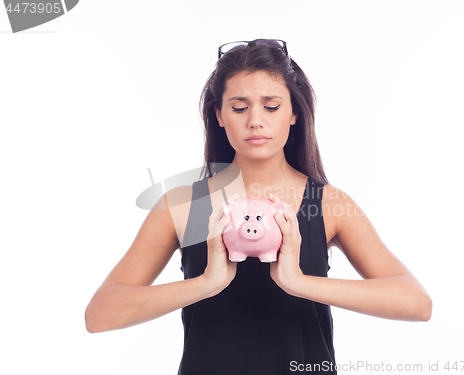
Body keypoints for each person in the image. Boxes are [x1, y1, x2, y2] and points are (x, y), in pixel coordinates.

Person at [85, 39, 432, 374]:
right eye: (239, 107)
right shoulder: (183, 205)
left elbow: (416, 303)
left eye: (271, 106)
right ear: (219, 115)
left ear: (294, 113)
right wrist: (207, 282)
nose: (255, 120)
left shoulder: (329, 204)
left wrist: (298, 281)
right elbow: (100, 315)